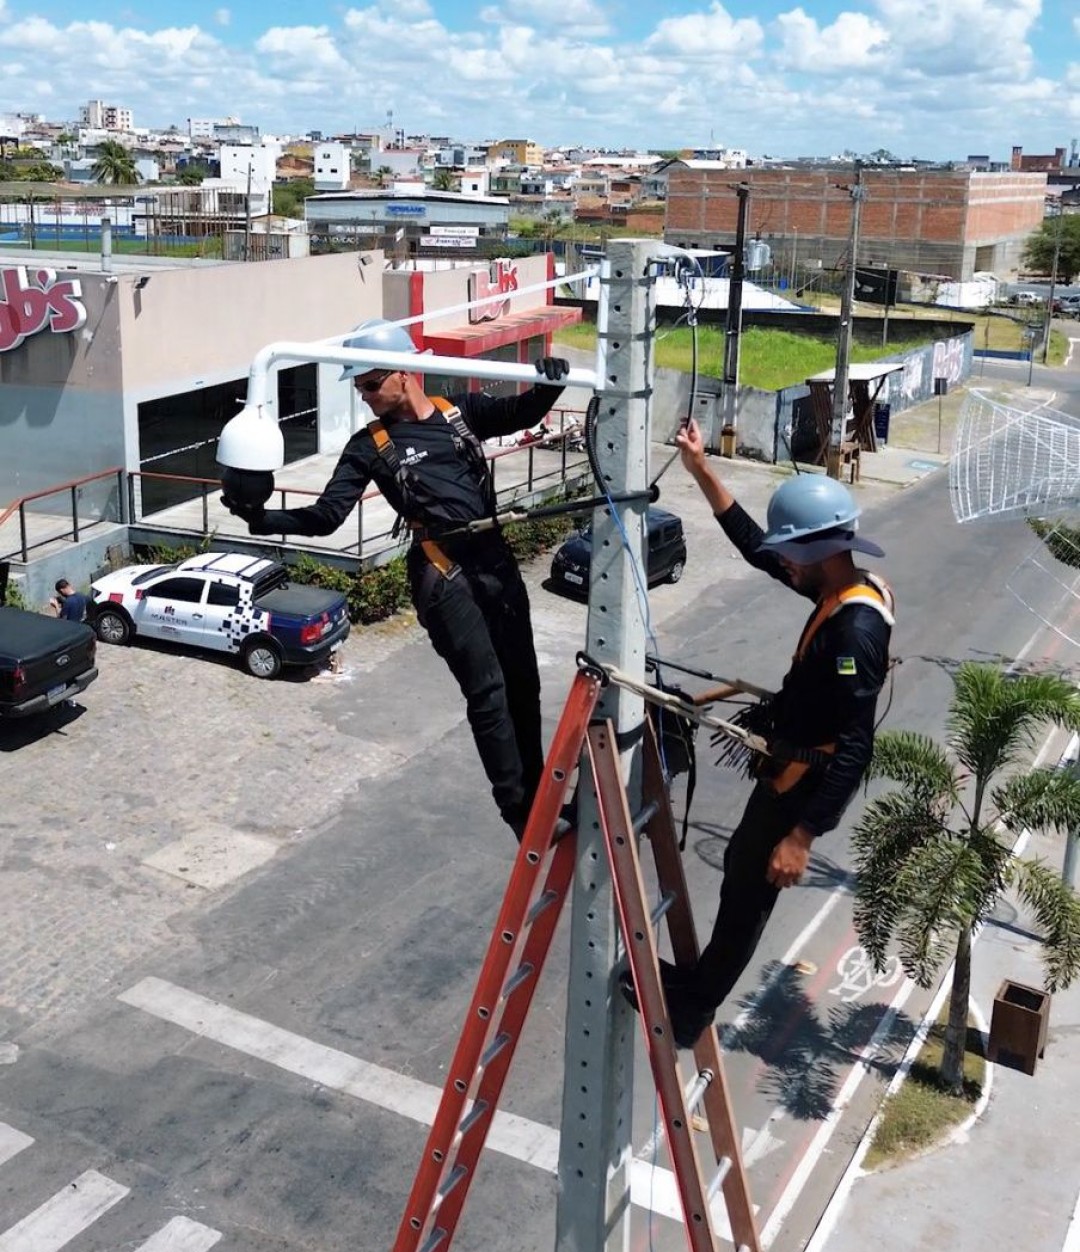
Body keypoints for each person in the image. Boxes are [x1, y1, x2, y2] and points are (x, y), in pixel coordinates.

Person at [222, 319, 571, 840]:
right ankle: (520, 813)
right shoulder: (370, 446)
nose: (363, 397)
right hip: (442, 574)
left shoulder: (462, 412)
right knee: (489, 690)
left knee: (525, 682)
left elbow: (521, 411)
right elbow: (327, 516)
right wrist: (261, 518)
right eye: (359, 386)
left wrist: (551, 382)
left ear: (405, 373)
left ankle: (542, 795)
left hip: (493, 563)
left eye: (369, 384)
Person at [647, 419, 895, 1047]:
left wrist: (803, 835)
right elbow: (757, 548)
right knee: (739, 874)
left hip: (801, 785)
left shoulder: (856, 633)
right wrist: (702, 468)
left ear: (816, 551)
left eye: (791, 552)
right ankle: (696, 988)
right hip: (790, 765)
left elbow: (857, 744)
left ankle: (694, 1008)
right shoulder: (837, 584)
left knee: (751, 893)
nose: (782, 560)